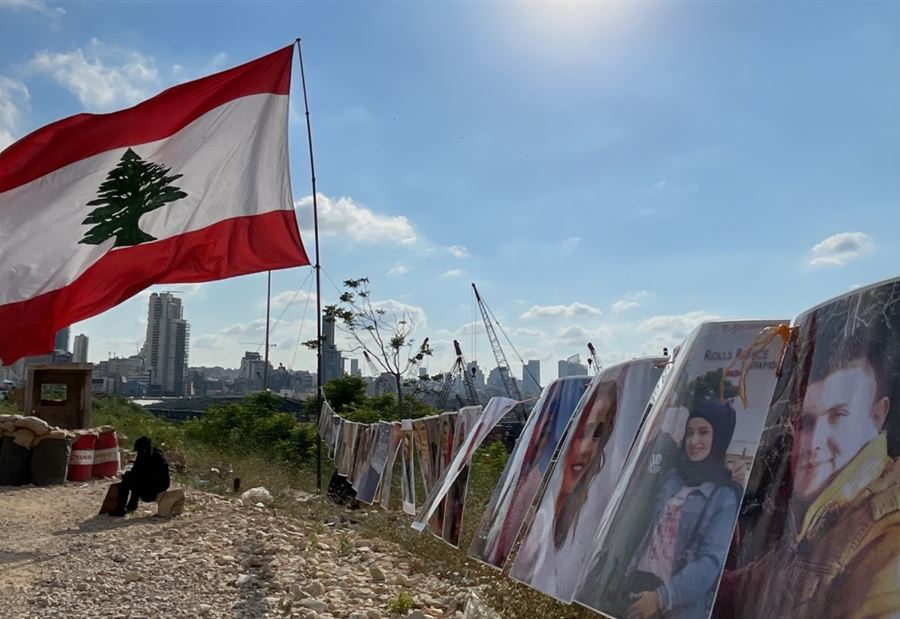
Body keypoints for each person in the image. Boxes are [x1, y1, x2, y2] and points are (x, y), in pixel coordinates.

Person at [726, 350, 900, 618]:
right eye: (806, 421)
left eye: (838, 415)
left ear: (877, 416)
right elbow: (758, 582)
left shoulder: (888, 539)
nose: (813, 441)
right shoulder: (821, 518)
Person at [624, 399, 741, 619]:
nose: (694, 440)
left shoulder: (724, 496)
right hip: (638, 587)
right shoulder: (673, 478)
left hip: (675, 605)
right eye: (689, 432)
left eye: (703, 432)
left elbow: (710, 563)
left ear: (719, 437)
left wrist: (661, 597)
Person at [511, 380, 618, 600]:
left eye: (597, 434)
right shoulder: (533, 505)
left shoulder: (597, 515)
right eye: (580, 432)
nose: (587, 448)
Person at [110, 436, 170, 517]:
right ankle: (132, 505)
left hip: (150, 491)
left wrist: (126, 475)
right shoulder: (158, 453)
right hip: (162, 486)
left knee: (126, 482)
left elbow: (137, 472)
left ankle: (120, 510)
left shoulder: (143, 455)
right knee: (136, 479)